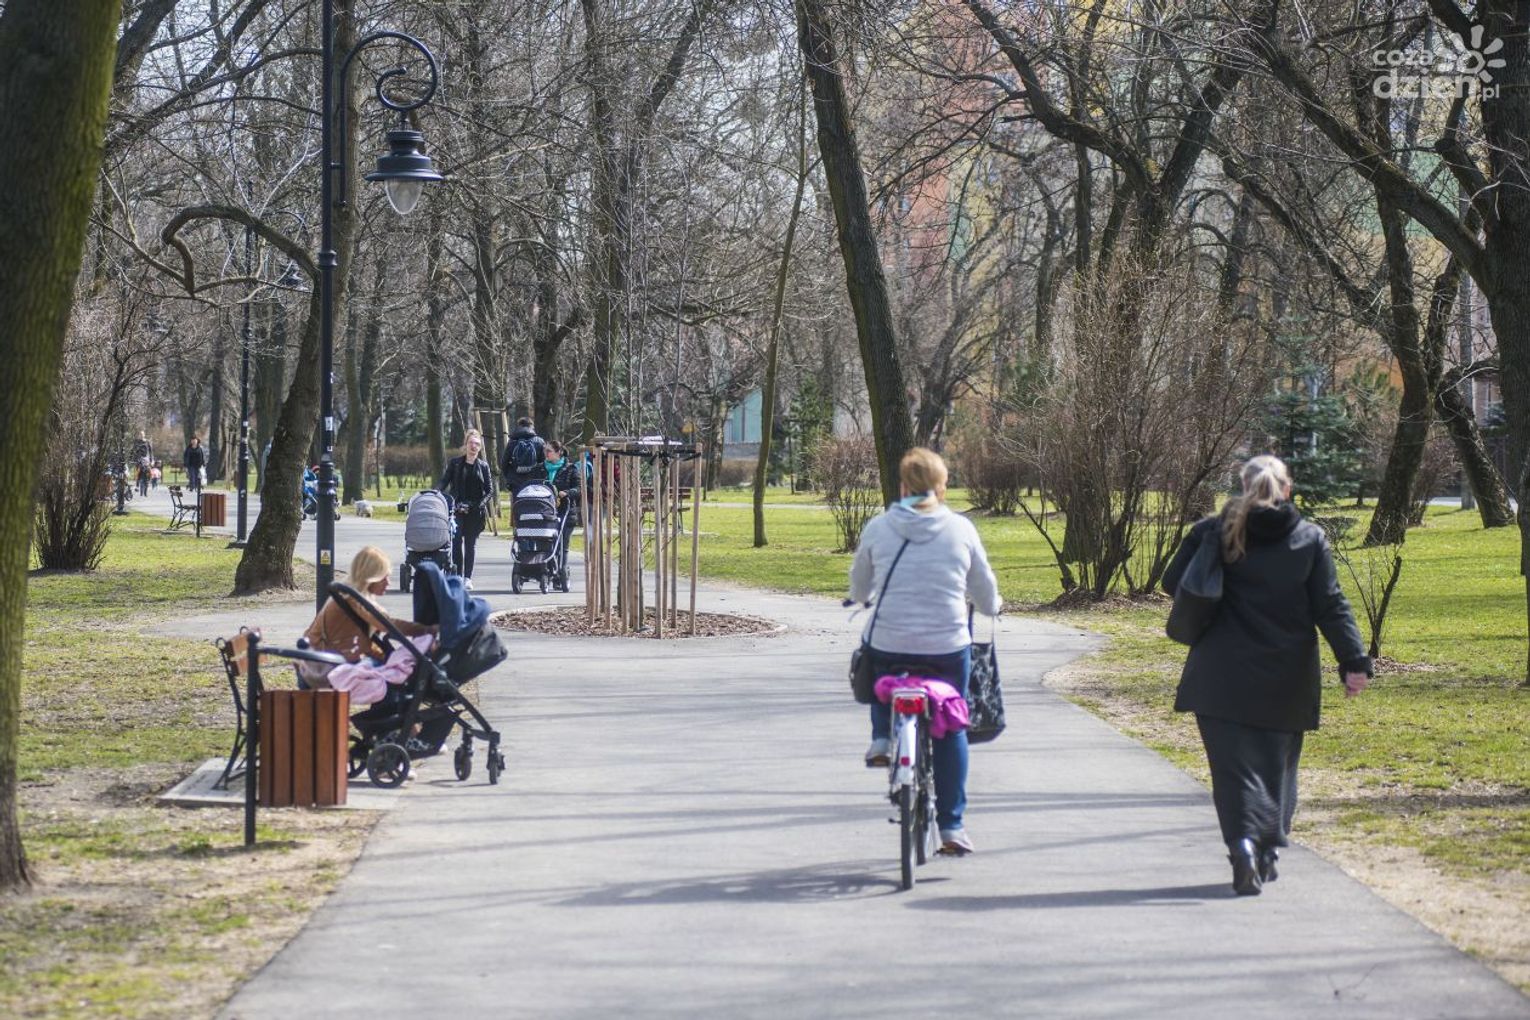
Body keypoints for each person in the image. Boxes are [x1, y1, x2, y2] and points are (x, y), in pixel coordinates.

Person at [1163, 454, 1372, 896]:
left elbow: (1172, 582)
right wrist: (1353, 660)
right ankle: (1268, 849)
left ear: (1243, 486)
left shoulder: (1213, 531)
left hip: (1218, 676)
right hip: (1286, 676)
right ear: (1287, 489)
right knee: (1279, 769)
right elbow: (1330, 605)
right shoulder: (1308, 539)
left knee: (1233, 772)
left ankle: (1242, 846)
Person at [847, 447, 1001, 856]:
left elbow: (860, 583)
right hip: (946, 648)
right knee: (951, 726)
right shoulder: (961, 529)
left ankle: (882, 739)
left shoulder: (879, 527)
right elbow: (984, 589)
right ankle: (951, 826)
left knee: (875, 658)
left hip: (890, 643)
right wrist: (992, 607)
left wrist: (859, 597)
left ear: (903, 486)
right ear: (941, 486)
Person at [302, 546, 435, 681]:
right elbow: (388, 625)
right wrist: (427, 630)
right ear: (370, 578)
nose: (388, 583)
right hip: (323, 668)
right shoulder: (353, 598)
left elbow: (366, 643)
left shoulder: (349, 595)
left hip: (325, 663)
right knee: (393, 674)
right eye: (384, 578)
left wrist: (386, 657)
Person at [438, 428, 494, 590]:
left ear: (480, 447)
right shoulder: (455, 463)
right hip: (457, 508)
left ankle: (467, 578)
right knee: (456, 542)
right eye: (471, 443)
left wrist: (480, 505)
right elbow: (444, 481)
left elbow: (489, 490)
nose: (474, 446)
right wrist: (436, 492)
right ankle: (457, 575)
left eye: (477, 444)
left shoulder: (483, 466)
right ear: (466, 444)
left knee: (470, 545)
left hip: (475, 511)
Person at [544, 440, 585, 583]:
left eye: (549, 451)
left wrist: (566, 493)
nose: (546, 454)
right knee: (547, 543)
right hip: (546, 513)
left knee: (562, 544)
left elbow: (579, 489)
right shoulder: (541, 469)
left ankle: (561, 573)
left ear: (559, 452)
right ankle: (547, 569)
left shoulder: (571, 469)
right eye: (545, 451)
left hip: (566, 511)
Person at [499, 416, 545, 498]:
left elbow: (504, 463)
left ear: (519, 426)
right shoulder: (540, 441)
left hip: (516, 481)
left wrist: (510, 476)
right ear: (531, 426)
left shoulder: (512, 442)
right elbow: (543, 462)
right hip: (534, 481)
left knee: (518, 503)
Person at [131, 431, 153, 497]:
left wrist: (151, 460)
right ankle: (137, 486)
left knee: (149, 471)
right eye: (140, 434)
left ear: (144, 435)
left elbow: (150, 451)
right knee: (138, 472)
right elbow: (133, 450)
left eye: (142, 434)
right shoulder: (136, 442)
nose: (141, 435)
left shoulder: (147, 442)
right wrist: (131, 458)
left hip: (146, 459)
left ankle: (149, 481)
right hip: (138, 459)